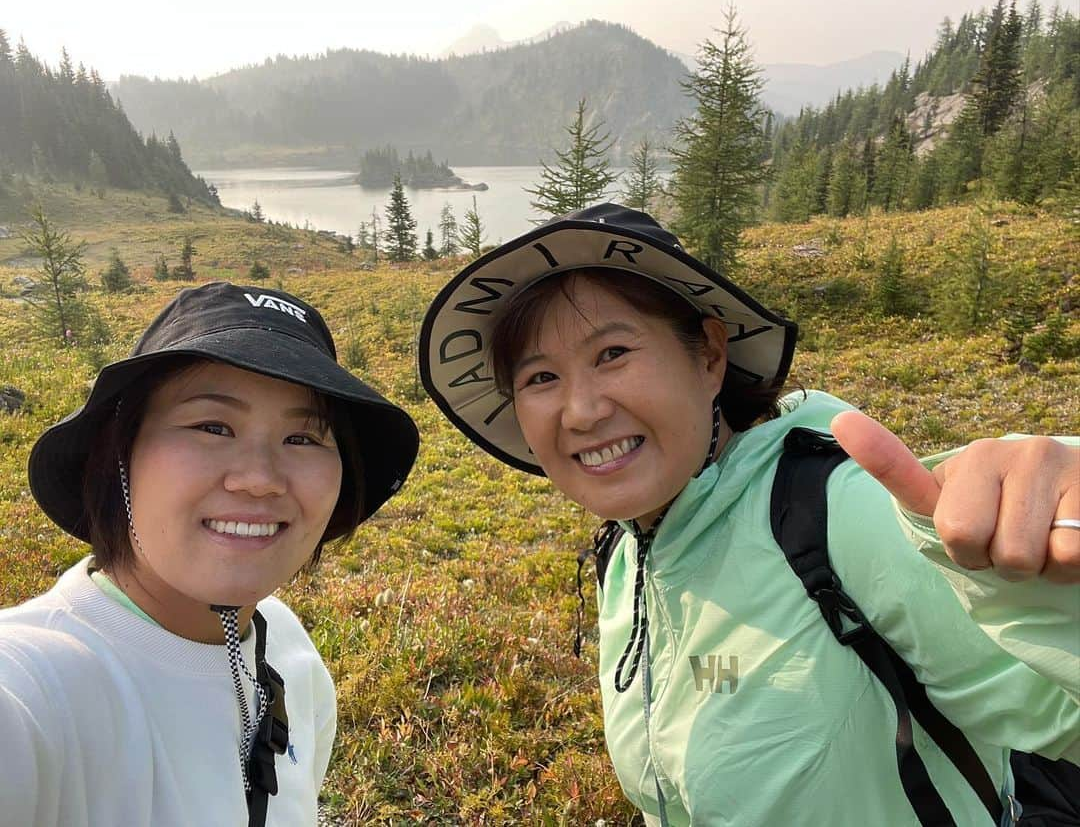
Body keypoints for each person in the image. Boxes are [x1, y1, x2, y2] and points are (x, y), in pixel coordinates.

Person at [418, 204, 1079, 825]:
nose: (582, 411)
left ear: (708, 355)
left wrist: (1051, 570)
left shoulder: (839, 515)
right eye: (540, 378)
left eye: (612, 354)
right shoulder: (627, 554)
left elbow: (1061, 713)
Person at [0, 282, 419, 827]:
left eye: (304, 438)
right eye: (212, 427)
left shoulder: (286, 646)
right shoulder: (35, 686)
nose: (260, 480)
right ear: (120, 455)